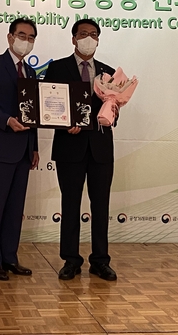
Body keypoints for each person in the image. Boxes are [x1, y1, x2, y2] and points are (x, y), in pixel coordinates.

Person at [44, 18, 118, 281]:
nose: (89, 38)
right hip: (69, 147)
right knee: (70, 204)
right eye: (84, 33)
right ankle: (71, 260)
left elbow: (114, 109)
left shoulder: (108, 73)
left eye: (94, 34)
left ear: (98, 40)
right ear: (73, 38)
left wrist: (112, 114)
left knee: (101, 205)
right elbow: (49, 105)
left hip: (100, 148)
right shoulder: (57, 68)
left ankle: (100, 261)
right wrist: (64, 124)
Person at [0, 18, 40, 281]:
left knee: (15, 208)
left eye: (31, 37)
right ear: (10, 37)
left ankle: (10, 258)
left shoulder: (31, 72)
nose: (26, 41)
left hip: (23, 149)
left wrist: (34, 147)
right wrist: (6, 120)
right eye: (22, 35)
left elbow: (33, 113)